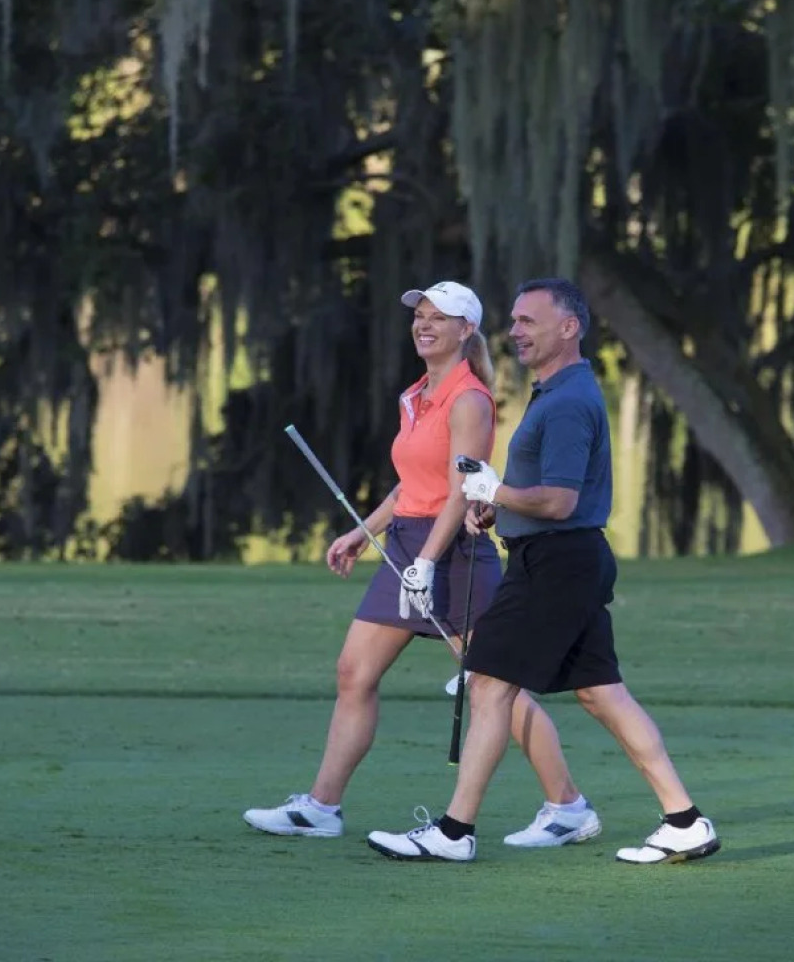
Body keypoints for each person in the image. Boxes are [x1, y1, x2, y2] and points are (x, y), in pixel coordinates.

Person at [366, 277, 720, 865]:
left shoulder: (569, 402)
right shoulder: (555, 393)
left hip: (557, 564)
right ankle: (684, 820)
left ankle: (455, 832)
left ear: (569, 327)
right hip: (562, 560)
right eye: (514, 321)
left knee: (489, 683)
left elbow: (558, 501)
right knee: (603, 695)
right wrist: (495, 501)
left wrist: (494, 489)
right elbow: (543, 497)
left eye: (529, 321)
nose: (515, 332)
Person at [244, 280, 603, 849]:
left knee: (493, 686)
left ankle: (568, 806)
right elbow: (413, 485)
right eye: (420, 316)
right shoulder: (415, 395)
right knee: (353, 673)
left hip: (454, 553)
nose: (425, 324)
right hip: (409, 547)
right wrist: (364, 532)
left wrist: (430, 561)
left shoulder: (470, 399)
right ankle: (322, 807)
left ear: (467, 331)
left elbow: (464, 489)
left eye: (441, 317)